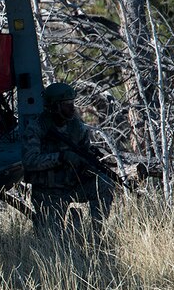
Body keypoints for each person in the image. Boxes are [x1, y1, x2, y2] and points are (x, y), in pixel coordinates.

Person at [22, 82, 115, 236]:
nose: (72, 108)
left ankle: (96, 233)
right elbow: (30, 161)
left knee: (104, 183)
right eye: (67, 105)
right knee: (53, 242)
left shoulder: (76, 127)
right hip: (48, 193)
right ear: (54, 106)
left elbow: (84, 152)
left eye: (72, 104)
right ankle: (73, 225)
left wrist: (88, 164)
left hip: (72, 186)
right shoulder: (37, 128)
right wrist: (61, 157)